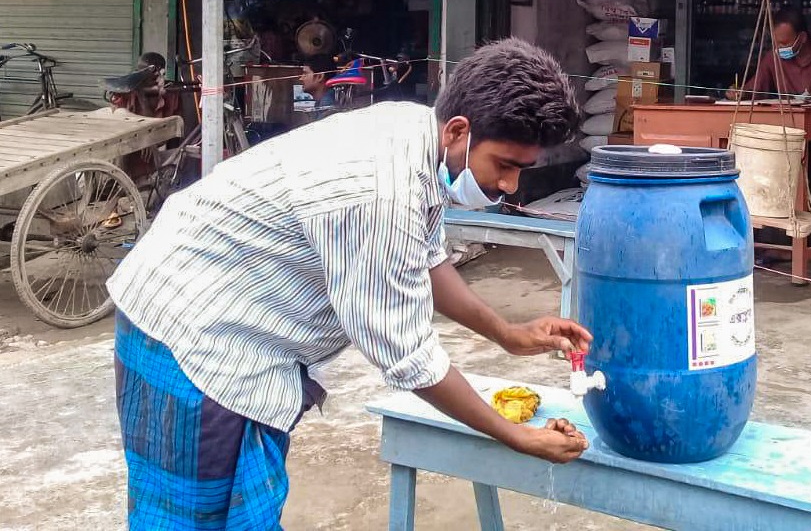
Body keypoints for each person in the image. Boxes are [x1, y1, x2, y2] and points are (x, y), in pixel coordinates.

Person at [108, 38, 590, 529]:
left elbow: (423, 259)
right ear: (459, 130)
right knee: (195, 515)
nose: (509, 186)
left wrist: (507, 335)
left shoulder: (416, 132)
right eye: (505, 165)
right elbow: (409, 359)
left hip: (227, 324)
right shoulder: (378, 193)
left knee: (243, 510)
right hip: (191, 334)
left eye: (520, 171)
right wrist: (514, 435)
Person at [726, 8, 811, 273]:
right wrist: (737, 92)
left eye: (784, 43)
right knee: (768, 169)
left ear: (802, 38)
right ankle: (774, 248)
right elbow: (752, 90)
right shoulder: (772, 59)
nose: (780, 48)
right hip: (787, 141)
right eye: (776, 42)